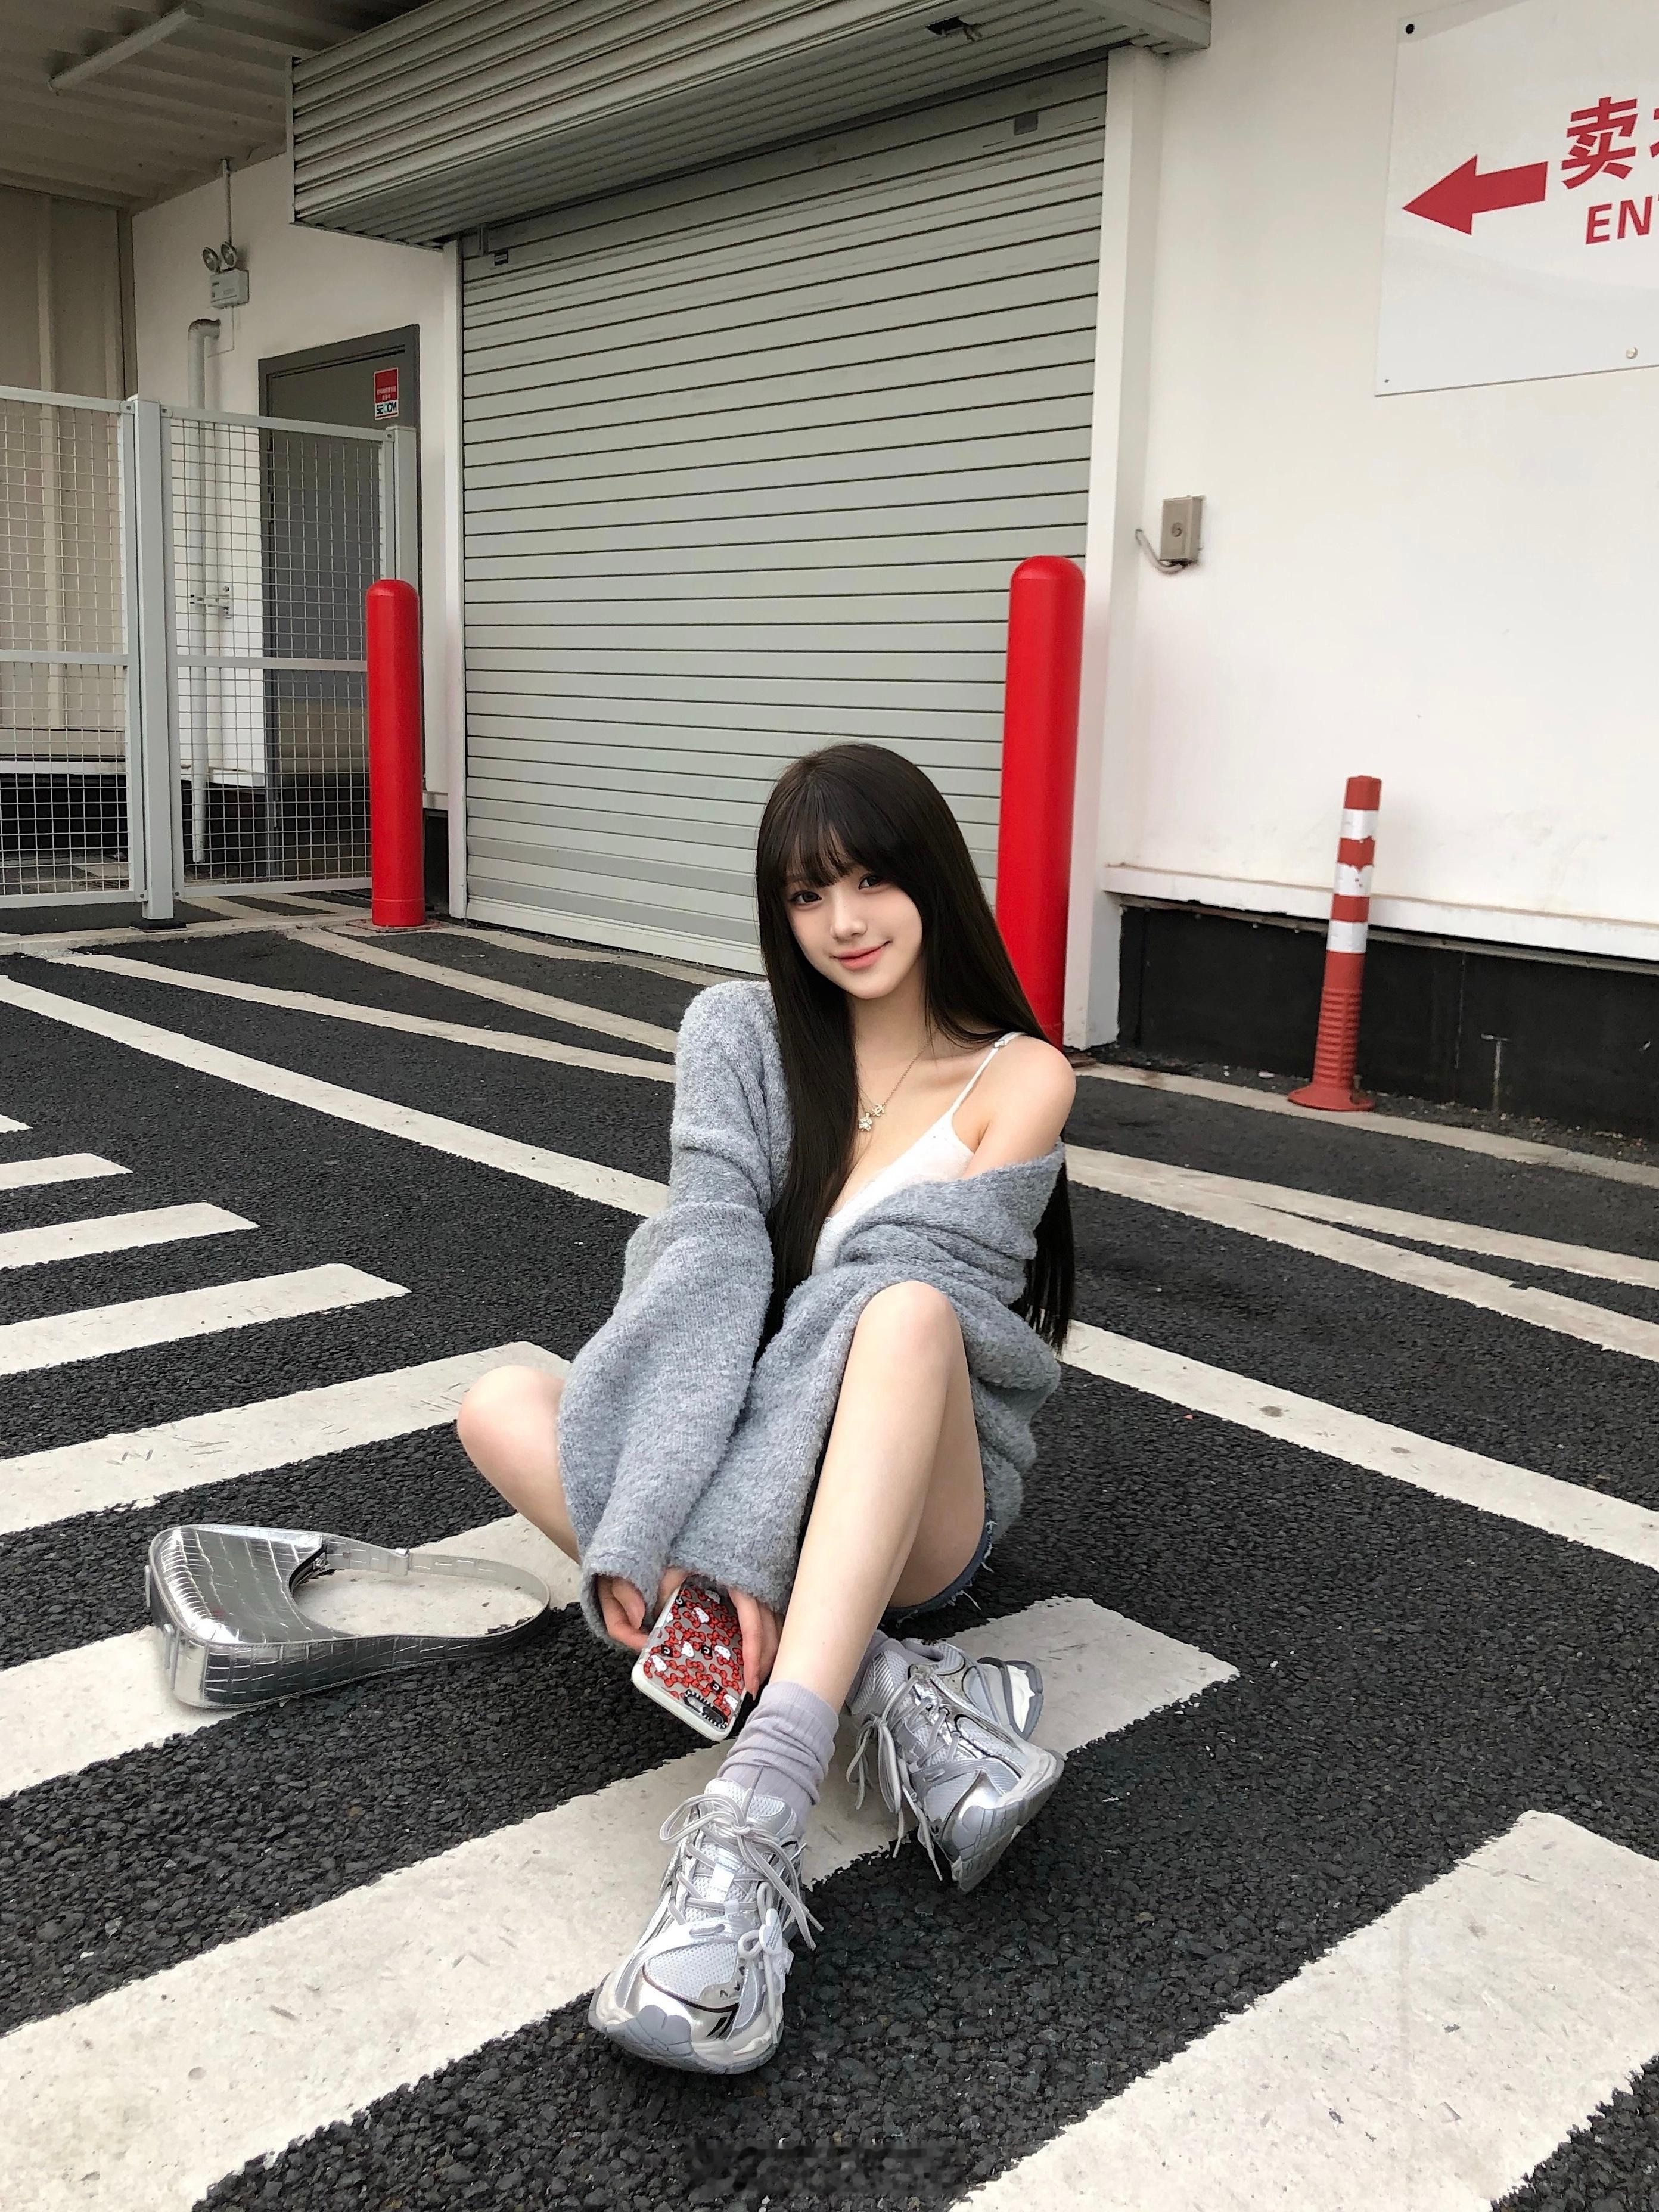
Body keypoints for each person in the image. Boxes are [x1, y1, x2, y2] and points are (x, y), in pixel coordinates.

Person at [456, 741, 1076, 2075]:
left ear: (931, 879)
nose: (844, 921)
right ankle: (886, 1686)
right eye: (806, 894)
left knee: (899, 1309)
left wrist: (721, 1537)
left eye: (870, 880)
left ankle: (756, 1819)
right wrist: (659, 1512)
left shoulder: (1020, 1076)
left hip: (915, 1500)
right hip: (749, 1456)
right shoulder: (738, 1035)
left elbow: (876, 1299)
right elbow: (706, 1262)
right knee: (499, 1399)